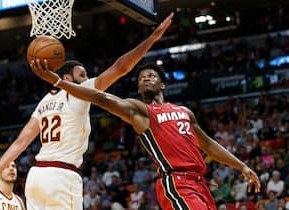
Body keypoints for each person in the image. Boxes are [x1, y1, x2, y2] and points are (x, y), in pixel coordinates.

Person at [0, 13, 174, 210]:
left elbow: (21, 142)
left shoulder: (44, 102)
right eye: (82, 75)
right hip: (61, 177)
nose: (87, 79)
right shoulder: (79, 93)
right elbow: (120, 67)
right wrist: (152, 39)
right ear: (66, 77)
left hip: (36, 177)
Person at [29, 62, 261, 210]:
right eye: (141, 78)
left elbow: (208, 144)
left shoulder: (184, 112)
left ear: (162, 85)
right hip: (176, 182)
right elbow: (102, 98)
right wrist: (59, 82)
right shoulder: (140, 110)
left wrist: (241, 166)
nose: (145, 79)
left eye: (151, 76)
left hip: (200, 183)